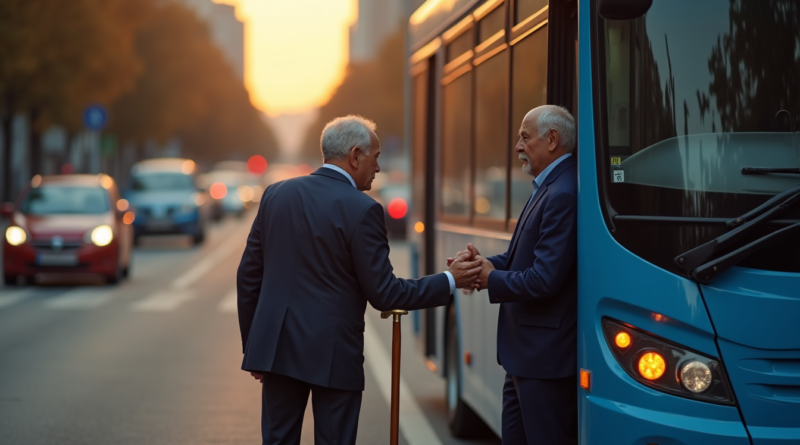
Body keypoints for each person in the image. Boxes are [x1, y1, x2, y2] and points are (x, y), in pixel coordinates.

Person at [237, 115, 482, 445]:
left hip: (277, 350)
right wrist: (449, 280)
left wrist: (256, 348)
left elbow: (249, 277)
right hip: (333, 354)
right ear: (355, 156)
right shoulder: (363, 209)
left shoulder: (276, 195)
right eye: (375, 157)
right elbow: (385, 293)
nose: (378, 168)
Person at [451, 105, 578, 444]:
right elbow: (516, 258)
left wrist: (489, 278)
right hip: (525, 359)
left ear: (552, 139)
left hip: (543, 362)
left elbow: (544, 279)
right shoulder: (550, 186)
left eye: (524, 138)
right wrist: (478, 267)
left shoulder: (563, 193)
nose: (518, 147)